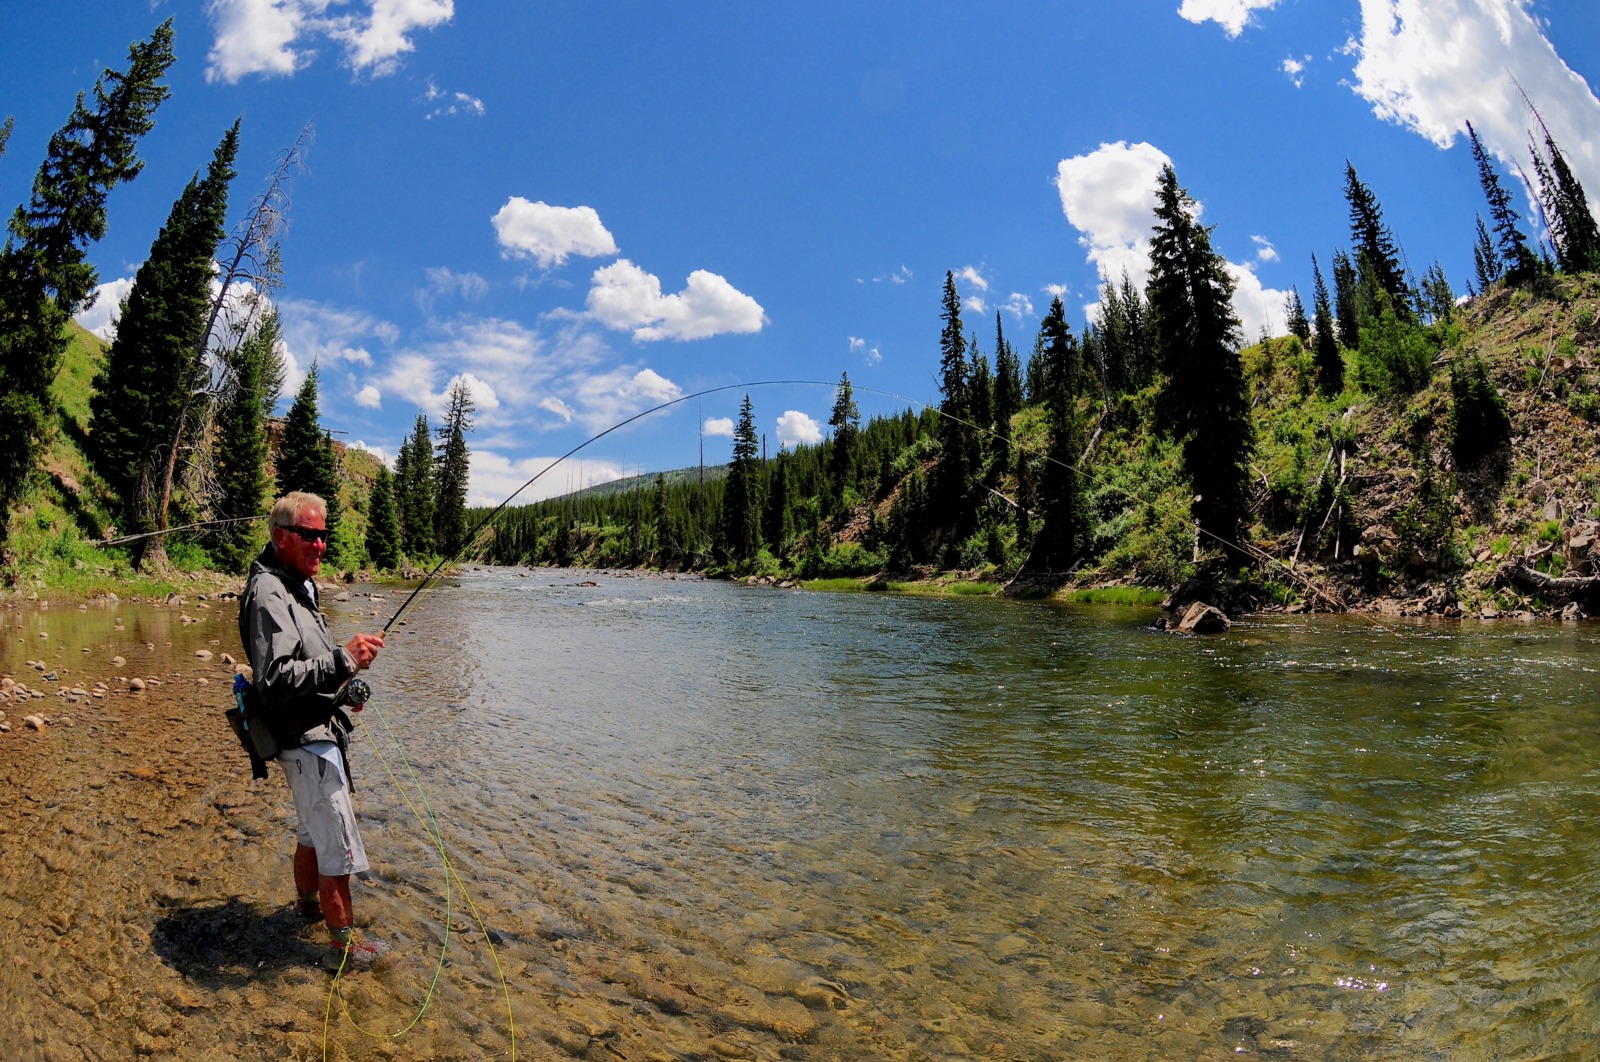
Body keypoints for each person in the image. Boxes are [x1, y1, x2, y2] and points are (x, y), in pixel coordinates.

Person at [238, 491, 389, 967]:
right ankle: (345, 944)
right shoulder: (268, 593)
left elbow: (308, 666)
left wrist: (343, 691)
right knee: (338, 844)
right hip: (303, 742)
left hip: (312, 732)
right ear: (281, 536)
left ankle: (305, 907)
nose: (320, 545)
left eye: (323, 535)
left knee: (310, 831)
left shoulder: (299, 583)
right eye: (309, 535)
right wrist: (344, 658)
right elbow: (277, 681)